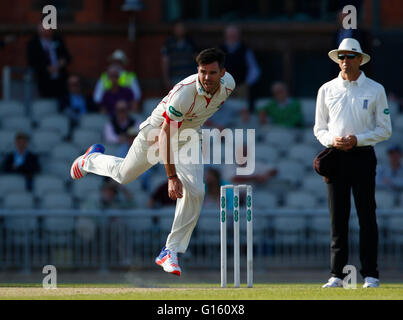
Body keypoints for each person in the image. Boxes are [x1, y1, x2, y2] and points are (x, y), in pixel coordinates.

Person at [70, 48, 235, 276]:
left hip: (188, 137)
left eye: (212, 73)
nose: (207, 78)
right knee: (124, 175)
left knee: (196, 191)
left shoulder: (229, 85)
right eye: (202, 72)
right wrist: (171, 177)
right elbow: (166, 135)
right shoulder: (184, 94)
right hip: (157, 133)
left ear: (223, 73)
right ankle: (91, 160)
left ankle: (170, 250)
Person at [314, 38, 392, 289]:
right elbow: (319, 128)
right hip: (336, 157)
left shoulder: (375, 89)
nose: (345, 61)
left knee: (366, 216)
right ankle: (337, 274)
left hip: (362, 156)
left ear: (360, 59)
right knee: (338, 218)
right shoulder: (326, 89)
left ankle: (371, 274)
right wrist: (332, 141)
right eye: (342, 56)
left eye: (350, 56)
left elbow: (384, 129)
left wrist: (357, 139)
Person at [220, 24, 260, 111]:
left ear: (238, 36)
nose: (232, 37)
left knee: (242, 109)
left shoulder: (245, 50)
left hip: (241, 86)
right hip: (224, 86)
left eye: (234, 35)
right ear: (225, 36)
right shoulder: (219, 50)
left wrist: (247, 83)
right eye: (230, 35)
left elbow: (254, 69)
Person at [26, 24, 71, 98]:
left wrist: (61, 63)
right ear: (39, 31)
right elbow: (32, 61)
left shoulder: (58, 40)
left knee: (62, 99)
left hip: (60, 78)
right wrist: (46, 68)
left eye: (49, 29)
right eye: (44, 30)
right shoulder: (33, 43)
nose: (47, 32)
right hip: (44, 79)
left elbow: (67, 57)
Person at [161, 20, 198, 91]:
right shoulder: (168, 43)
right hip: (174, 78)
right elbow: (165, 62)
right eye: (178, 28)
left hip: (189, 78)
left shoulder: (191, 43)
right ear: (173, 29)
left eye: (182, 27)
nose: (180, 30)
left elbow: (197, 60)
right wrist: (166, 79)